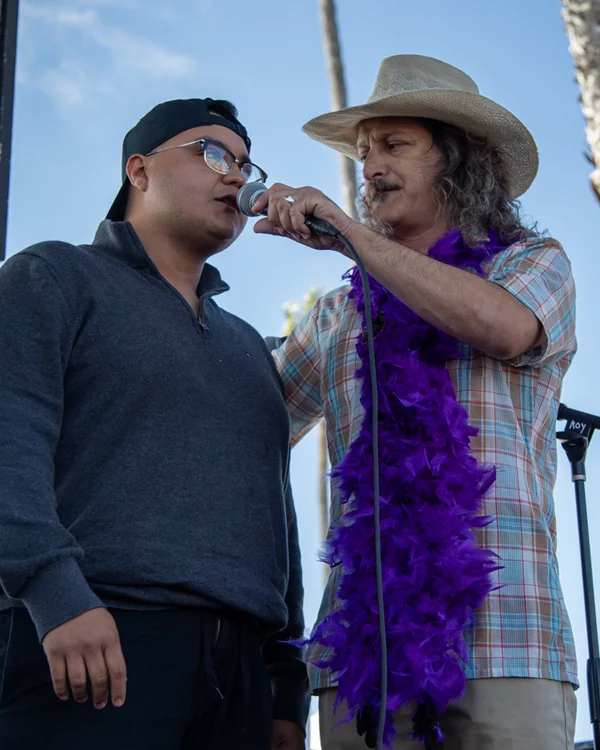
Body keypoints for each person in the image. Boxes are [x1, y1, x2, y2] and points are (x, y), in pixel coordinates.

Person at [254, 56, 578, 749]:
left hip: (507, 642)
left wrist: (350, 233)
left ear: (458, 163)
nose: (369, 166)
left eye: (393, 145)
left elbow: (504, 326)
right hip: (363, 661)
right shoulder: (336, 314)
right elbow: (244, 428)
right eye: (364, 151)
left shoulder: (532, 262)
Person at [0, 97, 308, 750]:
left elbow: (275, 510)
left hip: (242, 677)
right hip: (93, 639)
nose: (239, 177)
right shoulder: (53, 276)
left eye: (249, 163)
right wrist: (56, 595)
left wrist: (285, 677)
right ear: (139, 171)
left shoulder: (250, 346)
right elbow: (8, 437)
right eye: (213, 153)